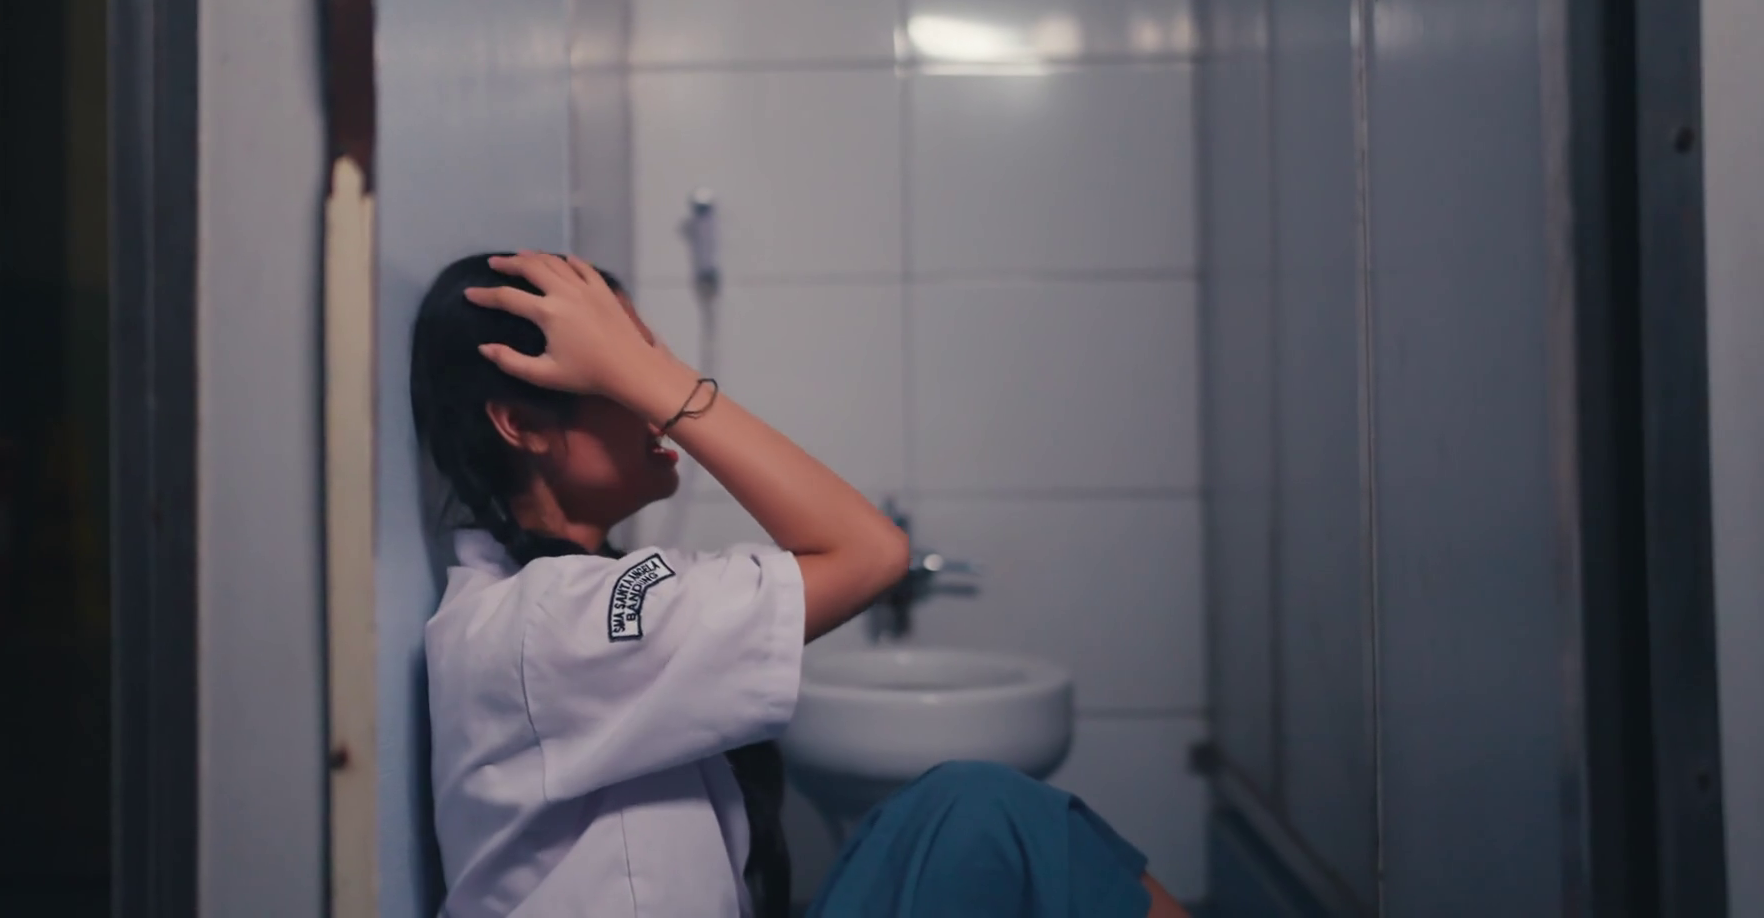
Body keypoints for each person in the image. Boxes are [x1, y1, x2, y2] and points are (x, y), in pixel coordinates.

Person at [417, 251, 1191, 918]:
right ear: (523, 425)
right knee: (987, 815)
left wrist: (639, 366)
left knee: (976, 812)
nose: (654, 392)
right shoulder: (549, 623)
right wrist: (658, 379)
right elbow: (869, 553)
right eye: (618, 369)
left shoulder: (565, 602)